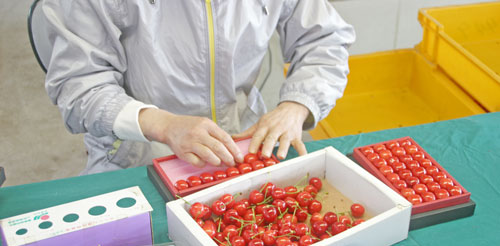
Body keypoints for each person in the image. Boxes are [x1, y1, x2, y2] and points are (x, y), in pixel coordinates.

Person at [41, 0, 355, 175]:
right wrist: (162, 125)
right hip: (138, 156)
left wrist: (296, 106)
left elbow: (324, 39)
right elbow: (78, 85)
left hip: (244, 147)